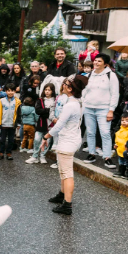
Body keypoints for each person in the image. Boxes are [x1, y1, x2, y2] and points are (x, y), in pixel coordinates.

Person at [41, 75, 89, 215]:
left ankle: (67, 205)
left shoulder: (70, 105)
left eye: (65, 84)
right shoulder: (78, 102)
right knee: (63, 170)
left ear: (70, 88)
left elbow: (59, 125)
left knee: (67, 173)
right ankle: (62, 195)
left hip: (68, 141)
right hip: (71, 138)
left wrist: (46, 136)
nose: (62, 85)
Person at [82, 53, 120, 168]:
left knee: (105, 133)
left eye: (99, 61)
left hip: (103, 109)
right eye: (95, 61)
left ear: (105, 64)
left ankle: (107, 157)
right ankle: (91, 154)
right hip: (88, 107)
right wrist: (83, 102)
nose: (96, 63)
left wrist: (111, 110)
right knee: (90, 132)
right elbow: (85, 91)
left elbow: (115, 94)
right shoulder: (90, 75)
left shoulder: (111, 75)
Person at [27, 83, 56, 165]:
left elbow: (54, 111)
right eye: (46, 90)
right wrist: (47, 110)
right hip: (41, 122)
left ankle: (42, 156)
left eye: (49, 90)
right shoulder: (40, 100)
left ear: (52, 91)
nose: (47, 92)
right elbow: (38, 110)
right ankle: (35, 156)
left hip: (50, 124)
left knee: (48, 140)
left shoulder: (55, 100)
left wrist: (46, 111)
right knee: (37, 139)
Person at [0, 83, 21, 161]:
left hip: (12, 124)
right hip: (3, 123)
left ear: (15, 91)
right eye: (8, 91)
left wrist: (18, 123)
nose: (10, 92)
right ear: (5, 91)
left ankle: (9, 152)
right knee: (2, 139)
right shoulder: (1, 101)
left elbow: (19, 113)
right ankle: (1, 152)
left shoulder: (17, 102)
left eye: (12, 90)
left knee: (11, 139)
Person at [112, 112, 128, 180]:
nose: (124, 122)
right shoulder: (121, 128)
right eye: (122, 120)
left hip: (126, 150)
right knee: (121, 161)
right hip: (120, 148)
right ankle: (121, 171)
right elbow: (118, 137)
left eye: (127, 120)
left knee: (127, 163)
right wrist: (116, 144)